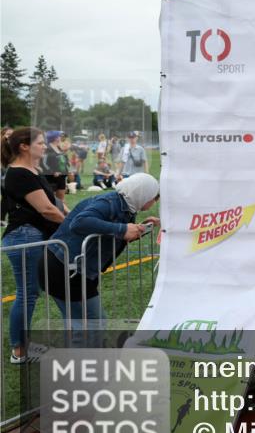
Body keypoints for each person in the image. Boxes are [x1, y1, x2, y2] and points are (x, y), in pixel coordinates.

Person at [40, 174, 159, 330]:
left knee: (79, 325)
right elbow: (79, 222)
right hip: (64, 268)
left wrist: (140, 229)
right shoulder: (110, 203)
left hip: (72, 267)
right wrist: (122, 229)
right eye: (154, 198)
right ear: (142, 194)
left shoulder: (125, 205)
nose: (154, 202)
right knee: (92, 323)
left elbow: (115, 236)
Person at [1, 127, 66, 363]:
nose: (45, 146)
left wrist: (71, 215)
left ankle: (22, 345)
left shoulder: (32, 170)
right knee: (27, 293)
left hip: (32, 235)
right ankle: (19, 350)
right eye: (40, 142)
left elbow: (55, 202)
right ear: (24, 146)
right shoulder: (18, 173)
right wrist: (73, 225)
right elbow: (47, 210)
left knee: (29, 293)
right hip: (24, 237)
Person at [41, 130, 68, 204]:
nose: (61, 137)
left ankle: (64, 215)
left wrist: (67, 169)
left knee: (61, 200)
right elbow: (43, 163)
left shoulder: (59, 148)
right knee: (51, 199)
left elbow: (63, 161)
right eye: (59, 136)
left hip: (61, 176)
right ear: (55, 138)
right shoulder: (47, 148)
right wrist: (52, 172)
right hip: (51, 178)